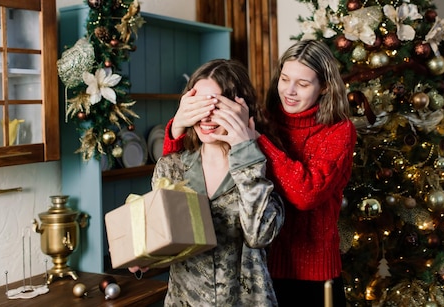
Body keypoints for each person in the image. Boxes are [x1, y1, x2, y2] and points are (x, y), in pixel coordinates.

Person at [163, 40, 357, 306]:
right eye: (285, 79)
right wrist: (177, 129)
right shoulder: (264, 118)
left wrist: (253, 140)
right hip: (263, 268)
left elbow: (306, 194)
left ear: (324, 86)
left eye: (302, 84)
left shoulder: (339, 130)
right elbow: (172, 174)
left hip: (312, 270)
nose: (289, 91)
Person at [131, 59, 285, 306]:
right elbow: (167, 241)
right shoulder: (171, 167)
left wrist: (245, 151)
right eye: (198, 104)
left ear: (240, 107)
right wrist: (146, 257)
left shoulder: (264, 166)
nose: (205, 116)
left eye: (217, 105)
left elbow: (260, 235)